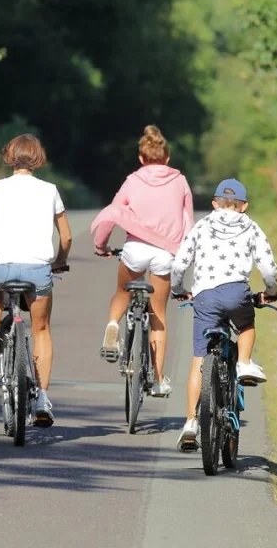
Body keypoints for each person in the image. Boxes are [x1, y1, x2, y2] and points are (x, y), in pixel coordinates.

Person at [0, 134, 72, 427]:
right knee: (42, 330)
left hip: (2, 268)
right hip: (37, 270)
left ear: (9, 156)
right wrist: (60, 261)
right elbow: (67, 235)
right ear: (38, 158)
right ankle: (43, 398)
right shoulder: (50, 190)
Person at [171, 178, 277, 451]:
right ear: (244, 206)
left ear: (214, 203)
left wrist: (179, 289)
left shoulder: (202, 225)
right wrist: (271, 290)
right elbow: (267, 266)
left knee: (199, 359)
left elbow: (180, 262)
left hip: (205, 296)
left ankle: (191, 423)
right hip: (236, 293)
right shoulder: (251, 226)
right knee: (245, 324)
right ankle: (244, 363)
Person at [91, 125, 194, 397]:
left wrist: (101, 245)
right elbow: (188, 223)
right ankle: (159, 381)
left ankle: (113, 326)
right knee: (158, 313)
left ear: (141, 158)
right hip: (165, 254)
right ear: (168, 158)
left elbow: (113, 212)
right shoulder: (180, 181)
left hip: (135, 248)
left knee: (122, 293)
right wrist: (184, 256)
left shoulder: (132, 180)